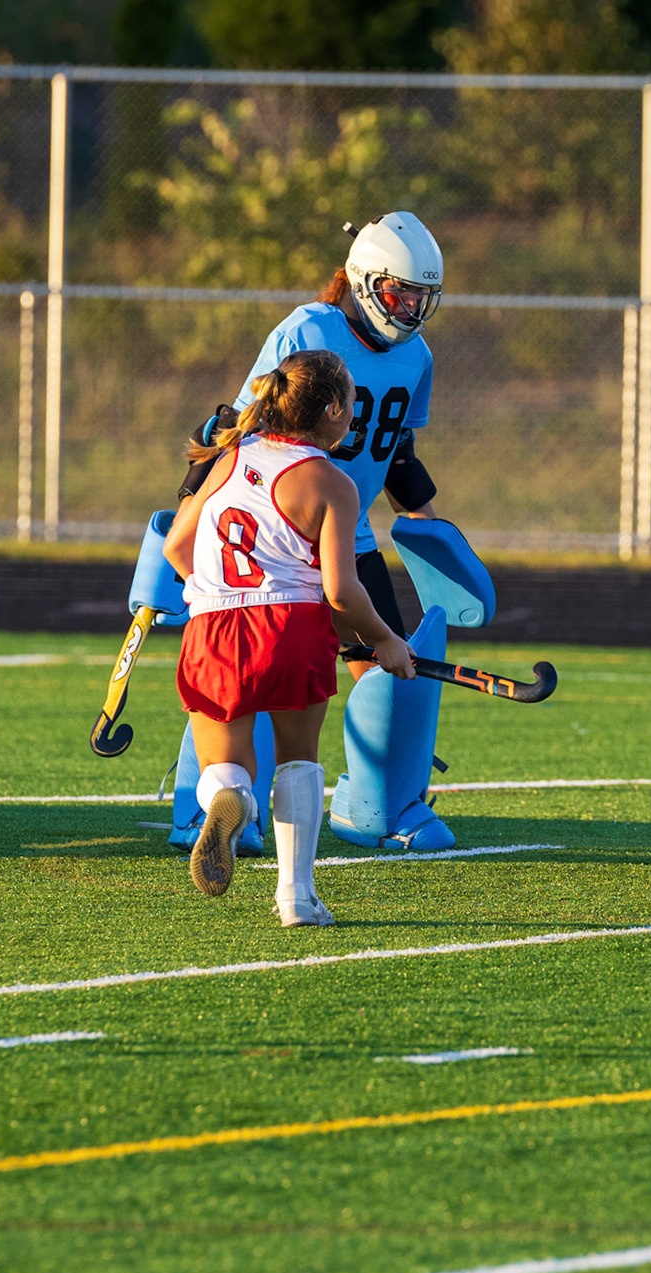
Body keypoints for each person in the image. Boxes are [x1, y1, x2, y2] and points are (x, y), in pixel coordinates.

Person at [168, 210, 481, 852]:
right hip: (273, 532)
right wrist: (188, 509)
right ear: (365, 281)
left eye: (422, 297)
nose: (411, 308)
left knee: (390, 670)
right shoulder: (309, 330)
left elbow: (396, 448)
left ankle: (382, 806)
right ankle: (208, 810)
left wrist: (425, 522)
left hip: (345, 531)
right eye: (399, 293)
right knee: (252, 671)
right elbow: (238, 424)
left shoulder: (417, 355)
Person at [163, 349, 414, 924]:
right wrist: (385, 641)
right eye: (351, 401)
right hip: (289, 629)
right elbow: (341, 591)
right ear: (332, 411)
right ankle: (296, 898)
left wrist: (213, 592)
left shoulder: (228, 456)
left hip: (211, 627)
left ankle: (231, 799)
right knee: (298, 760)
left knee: (223, 767)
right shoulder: (332, 483)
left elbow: (177, 546)